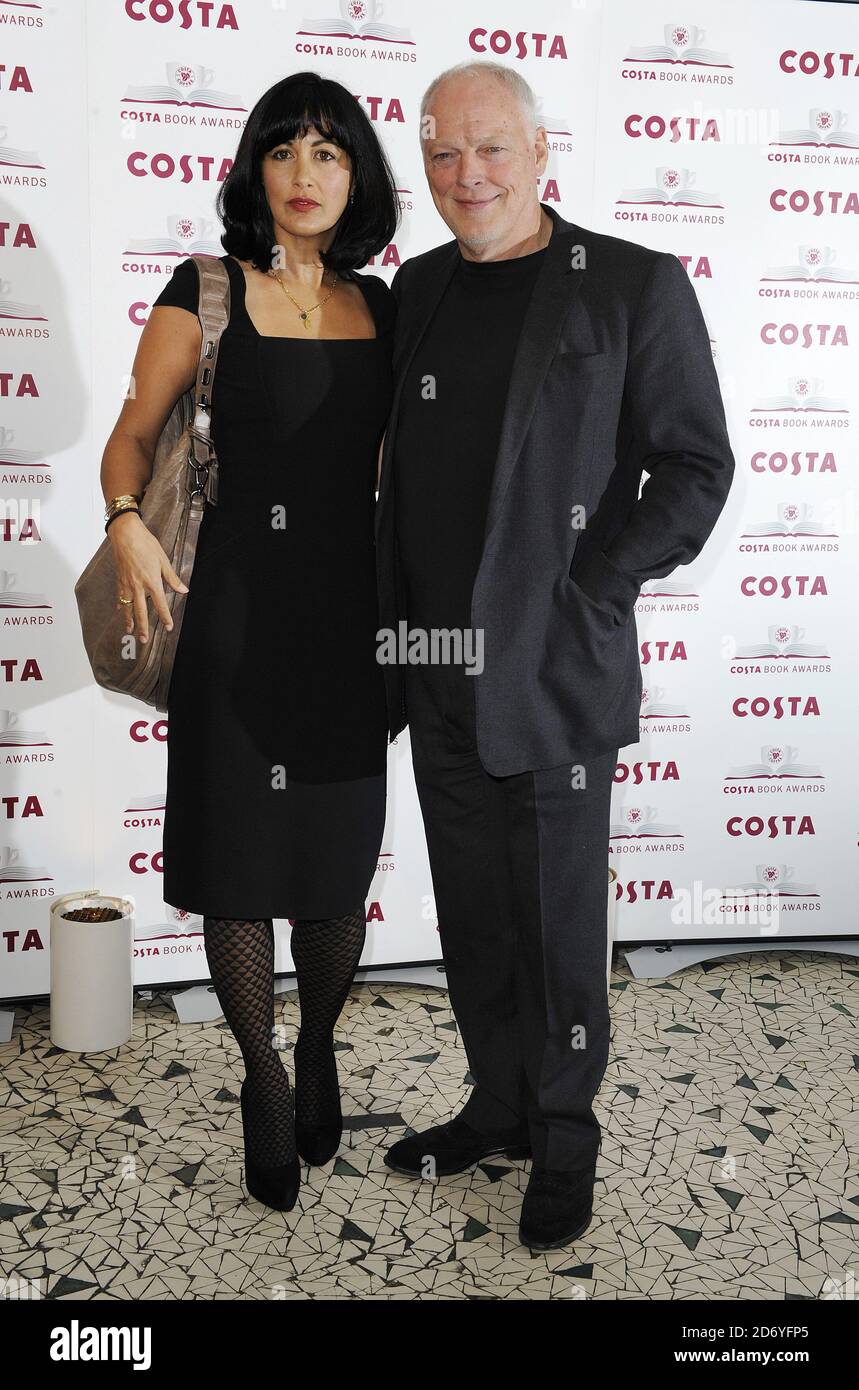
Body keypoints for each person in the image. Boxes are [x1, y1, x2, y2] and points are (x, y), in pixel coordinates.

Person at [375, 60, 735, 1251]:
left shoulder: (627, 285)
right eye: (441, 154)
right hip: (435, 662)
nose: (465, 175)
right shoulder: (415, 290)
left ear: (538, 154)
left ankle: (564, 1131)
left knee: (559, 921)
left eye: (488, 150)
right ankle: (498, 1103)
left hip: (556, 665)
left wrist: (599, 581)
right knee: (474, 911)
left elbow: (693, 465)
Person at [99, 72, 399, 1212]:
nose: (306, 174)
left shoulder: (388, 306)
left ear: (357, 174)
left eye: (328, 152)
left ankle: (316, 1037)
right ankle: (263, 1077)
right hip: (228, 620)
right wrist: (125, 524)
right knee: (239, 870)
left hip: (349, 631)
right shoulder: (206, 292)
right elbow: (131, 439)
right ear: (254, 173)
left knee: (331, 875)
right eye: (284, 152)